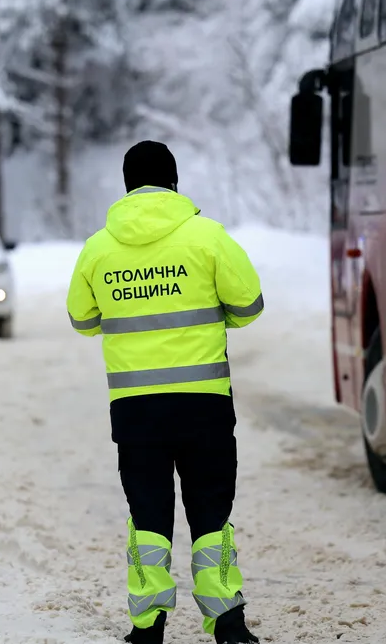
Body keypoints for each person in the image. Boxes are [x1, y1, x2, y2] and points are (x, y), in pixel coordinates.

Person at [66, 141, 264, 644]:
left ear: (127, 185)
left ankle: (148, 626)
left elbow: (82, 320)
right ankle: (228, 624)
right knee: (210, 513)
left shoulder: (98, 247)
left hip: (135, 411)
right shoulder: (208, 236)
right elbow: (249, 306)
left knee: (149, 515)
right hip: (204, 406)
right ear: (174, 181)